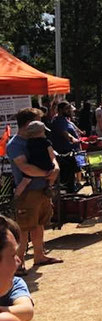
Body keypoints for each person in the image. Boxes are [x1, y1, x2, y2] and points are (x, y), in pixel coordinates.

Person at [7, 110, 62, 276]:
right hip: (28, 193)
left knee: (39, 224)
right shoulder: (15, 144)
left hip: (42, 190)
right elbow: (25, 168)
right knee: (23, 228)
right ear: (28, 124)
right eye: (39, 121)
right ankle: (19, 263)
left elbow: (52, 157)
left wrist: (55, 167)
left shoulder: (39, 140)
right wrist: (48, 173)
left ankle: (39, 255)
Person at [13, 122, 55, 199]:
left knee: (25, 181)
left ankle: (16, 196)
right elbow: (51, 154)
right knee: (52, 174)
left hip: (33, 164)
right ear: (41, 132)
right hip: (45, 164)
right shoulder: (46, 142)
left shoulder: (28, 143)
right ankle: (49, 187)